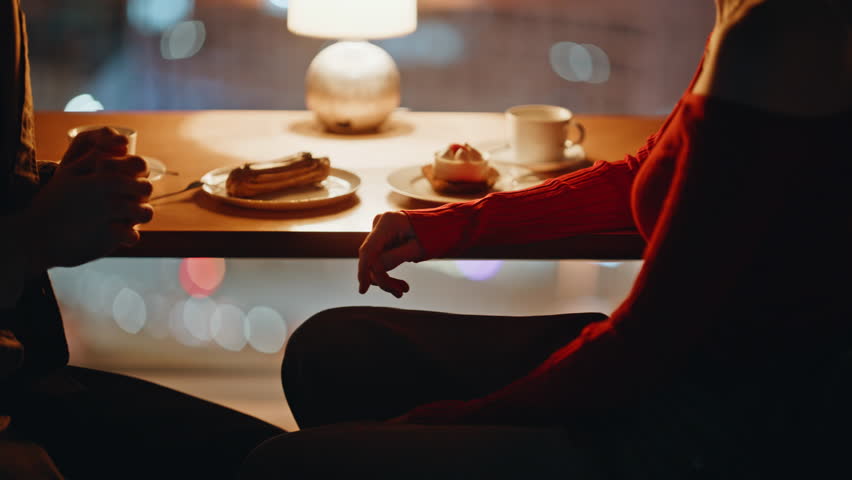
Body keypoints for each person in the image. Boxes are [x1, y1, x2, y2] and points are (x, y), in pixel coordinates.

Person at [242, 0, 852, 478]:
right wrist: (447, 224)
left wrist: (456, 425)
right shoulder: (742, 18)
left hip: (712, 424)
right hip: (679, 371)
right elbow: (647, 173)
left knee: (281, 466)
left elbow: (648, 343)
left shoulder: (783, 36)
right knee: (330, 348)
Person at [0, 2, 283, 478]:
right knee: (277, 459)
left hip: (24, 374)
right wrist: (32, 239)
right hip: (14, 404)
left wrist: (48, 186)